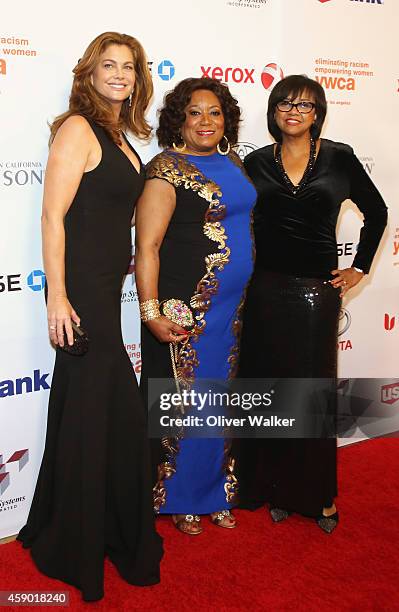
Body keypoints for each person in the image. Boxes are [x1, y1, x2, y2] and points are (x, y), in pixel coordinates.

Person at [17, 32, 163, 600]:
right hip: (80, 292)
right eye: (110, 65)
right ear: (90, 73)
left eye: (129, 66)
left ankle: (86, 527)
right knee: (103, 413)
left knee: (93, 412)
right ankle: (77, 539)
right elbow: (53, 217)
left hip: (105, 289)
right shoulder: (78, 129)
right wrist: (57, 294)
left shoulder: (121, 137)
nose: (120, 74)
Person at [235, 74, 388, 533]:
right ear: (273, 111)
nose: (294, 111)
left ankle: (317, 495)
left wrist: (359, 266)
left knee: (311, 393)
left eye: (304, 104)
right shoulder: (257, 162)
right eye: (285, 103)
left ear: (318, 112)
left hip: (316, 293)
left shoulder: (339, 157)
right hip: (264, 291)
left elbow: (377, 213)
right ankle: (275, 487)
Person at [135, 77, 256, 535]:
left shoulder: (234, 163)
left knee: (218, 402)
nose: (205, 121)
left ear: (226, 120)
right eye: (195, 112)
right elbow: (147, 247)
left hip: (232, 310)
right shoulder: (166, 169)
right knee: (184, 404)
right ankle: (177, 497)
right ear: (178, 121)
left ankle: (216, 490)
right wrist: (151, 314)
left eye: (215, 113)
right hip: (185, 309)